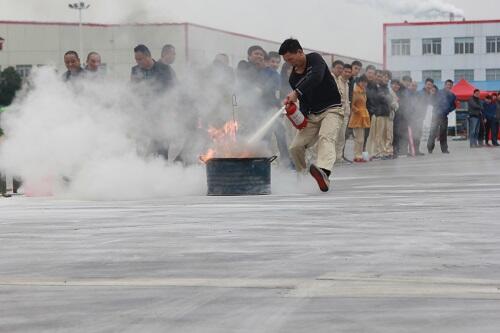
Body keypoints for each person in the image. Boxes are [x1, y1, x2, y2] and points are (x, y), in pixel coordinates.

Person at [279, 38, 343, 192]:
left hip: (332, 109)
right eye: (287, 61)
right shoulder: (293, 78)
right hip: (313, 115)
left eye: (291, 59)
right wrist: (297, 114)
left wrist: (296, 92)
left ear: (300, 52)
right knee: (295, 147)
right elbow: (304, 101)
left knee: (326, 138)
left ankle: (324, 173)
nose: (290, 63)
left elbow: (316, 77)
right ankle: (303, 179)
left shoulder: (315, 59)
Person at [427, 79, 456, 154]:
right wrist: (432, 95)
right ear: (445, 85)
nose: (449, 86)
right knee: (433, 132)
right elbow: (431, 101)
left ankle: (444, 149)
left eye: (450, 85)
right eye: (447, 84)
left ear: (452, 86)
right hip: (435, 115)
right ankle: (430, 148)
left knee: (443, 133)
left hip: (444, 116)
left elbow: (454, 106)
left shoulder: (452, 96)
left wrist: (448, 110)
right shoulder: (438, 92)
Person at [348, 74, 370, 162]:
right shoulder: (356, 91)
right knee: (358, 138)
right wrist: (357, 111)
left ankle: (359, 155)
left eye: (365, 82)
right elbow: (352, 104)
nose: (364, 84)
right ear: (359, 82)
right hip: (357, 117)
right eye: (363, 82)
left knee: (362, 138)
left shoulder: (363, 91)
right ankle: (357, 156)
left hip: (363, 116)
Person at [335, 63, 352, 164]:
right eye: (345, 71)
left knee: (341, 137)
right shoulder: (337, 82)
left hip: (345, 114)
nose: (347, 73)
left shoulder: (347, 84)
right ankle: (332, 158)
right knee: (335, 136)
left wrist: (348, 112)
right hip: (337, 113)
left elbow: (347, 100)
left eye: (349, 72)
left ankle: (339, 157)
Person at [393, 76, 412, 157]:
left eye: (409, 82)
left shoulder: (407, 91)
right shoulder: (399, 90)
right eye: (406, 81)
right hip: (398, 114)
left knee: (405, 133)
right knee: (397, 133)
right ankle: (396, 149)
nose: (407, 83)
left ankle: (404, 150)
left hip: (406, 115)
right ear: (403, 81)